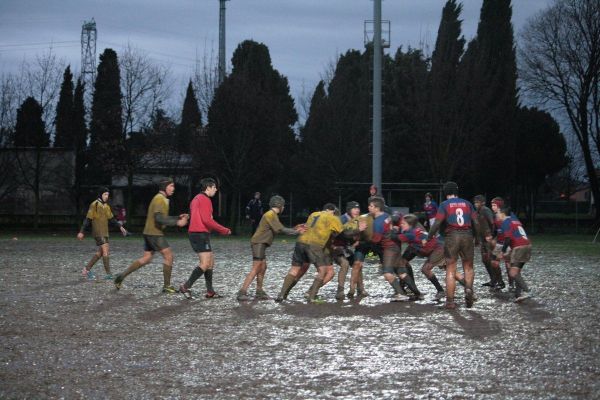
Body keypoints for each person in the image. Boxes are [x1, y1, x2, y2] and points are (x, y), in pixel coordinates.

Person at [114, 178, 188, 293]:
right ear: (164, 187)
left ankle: (121, 276)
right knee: (169, 256)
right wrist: (177, 222)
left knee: (146, 258)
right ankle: (167, 286)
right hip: (155, 233)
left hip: (149, 232)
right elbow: (158, 218)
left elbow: (161, 217)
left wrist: (177, 218)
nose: (173, 188)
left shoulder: (161, 198)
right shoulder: (160, 199)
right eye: (171, 186)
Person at [276, 203, 360, 303]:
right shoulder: (332, 218)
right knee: (323, 270)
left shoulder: (313, 214)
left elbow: (308, 228)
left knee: (295, 270)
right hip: (316, 245)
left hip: (301, 242)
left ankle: (282, 295)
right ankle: (311, 296)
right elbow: (343, 234)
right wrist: (358, 230)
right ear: (331, 211)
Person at [426, 181, 485, 309]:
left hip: (452, 236)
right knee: (468, 267)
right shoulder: (468, 203)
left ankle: (450, 301)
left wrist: (429, 236)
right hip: (467, 235)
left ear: (445, 193)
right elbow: (476, 222)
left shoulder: (444, 205)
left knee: (451, 268)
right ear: (457, 192)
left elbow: (437, 223)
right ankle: (468, 289)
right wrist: (477, 239)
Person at [237, 195, 305, 301]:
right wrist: (296, 232)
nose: (283, 208)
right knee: (256, 268)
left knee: (263, 267)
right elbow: (280, 230)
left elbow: (279, 228)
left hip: (261, 243)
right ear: (280, 205)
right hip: (258, 243)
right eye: (283, 206)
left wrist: (294, 228)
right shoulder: (270, 215)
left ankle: (259, 291)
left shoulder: (272, 215)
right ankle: (242, 292)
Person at [180, 178, 232, 299]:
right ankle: (185, 286)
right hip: (200, 234)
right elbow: (207, 220)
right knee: (205, 263)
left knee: (210, 261)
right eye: (214, 187)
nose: (215, 189)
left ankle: (210, 291)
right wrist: (224, 230)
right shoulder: (205, 199)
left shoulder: (196, 198)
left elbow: (194, 215)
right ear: (208, 188)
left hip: (197, 233)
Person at [368, 197, 422, 301]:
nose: (369, 208)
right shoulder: (387, 216)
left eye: (371, 206)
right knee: (401, 272)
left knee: (387, 273)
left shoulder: (378, 221)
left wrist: (365, 239)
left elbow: (376, 239)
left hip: (389, 248)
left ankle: (401, 293)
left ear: (377, 208)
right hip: (397, 246)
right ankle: (418, 293)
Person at [77, 187, 127, 280]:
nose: (107, 196)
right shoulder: (95, 204)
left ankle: (86, 269)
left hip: (105, 232)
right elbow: (88, 219)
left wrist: (120, 227)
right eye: (105, 194)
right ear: (100, 194)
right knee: (105, 250)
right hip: (98, 232)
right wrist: (81, 231)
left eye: (108, 194)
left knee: (100, 252)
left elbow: (111, 219)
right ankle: (109, 274)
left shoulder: (106, 206)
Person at [394, 214, 446, 300]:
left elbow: (393, 237)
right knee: (402, 262)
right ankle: (407, 287)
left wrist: (389, 230)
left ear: (409, 225)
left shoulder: (411, 233)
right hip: (419, 247)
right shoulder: (410, 228)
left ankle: (440, 290)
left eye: (403, 223)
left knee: (425, 269)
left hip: (438, 249)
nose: (400, 225)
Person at [496, 205, 532, 302]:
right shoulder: (514, 220)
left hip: (519, 247)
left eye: (498, 212)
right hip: (527, 245)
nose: (497, 214)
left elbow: (508, 238)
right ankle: (518, 294)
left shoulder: (505, 222)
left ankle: (527, 291)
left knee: (512, 272)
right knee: (516, 272)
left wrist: (502, 252)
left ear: (502, 214)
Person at [473, 195, 503, 289]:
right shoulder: (477, 212)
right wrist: (477, 239)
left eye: (477, 202)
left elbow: (492, 222)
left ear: (483, 202)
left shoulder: (485, 210)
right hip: (482, 240)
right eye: (475, 202)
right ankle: (493, 280)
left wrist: (492, 236)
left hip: (489, 240)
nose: (475, 204)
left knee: (492, 260)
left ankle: (500, 281)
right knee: (485, 260)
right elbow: (478, 226)